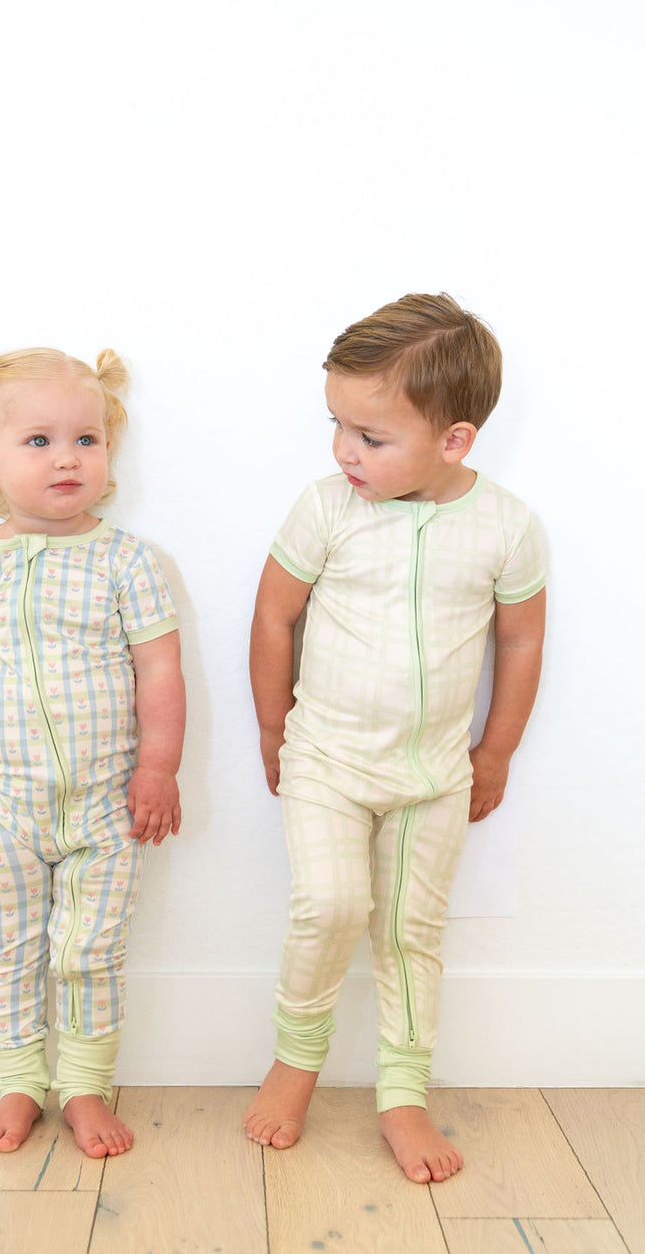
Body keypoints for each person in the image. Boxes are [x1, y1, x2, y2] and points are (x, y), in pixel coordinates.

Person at [243, 293, 546, 1183]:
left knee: (412, 932)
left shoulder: (507, 526)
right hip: (326, 759)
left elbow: (520, 642)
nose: (345, 451)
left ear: (454, 440)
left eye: (371, 437)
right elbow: (274, 613)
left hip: (435, 774)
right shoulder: (326, 508)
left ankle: (403, 1093)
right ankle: (295, 1060)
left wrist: (495, 751)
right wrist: (273, 725)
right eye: (337, 425)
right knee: (330, 904)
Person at [0, 331, 185, 1158]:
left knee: (92, 949)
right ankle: (22, 1081)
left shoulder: (128, 563)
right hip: (0, 807)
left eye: (85, 439)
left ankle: (86, 1085)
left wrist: (158, 767)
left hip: (107, 806)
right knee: (11, 947)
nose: (67, 457)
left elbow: (160, 672)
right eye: (38, 440)